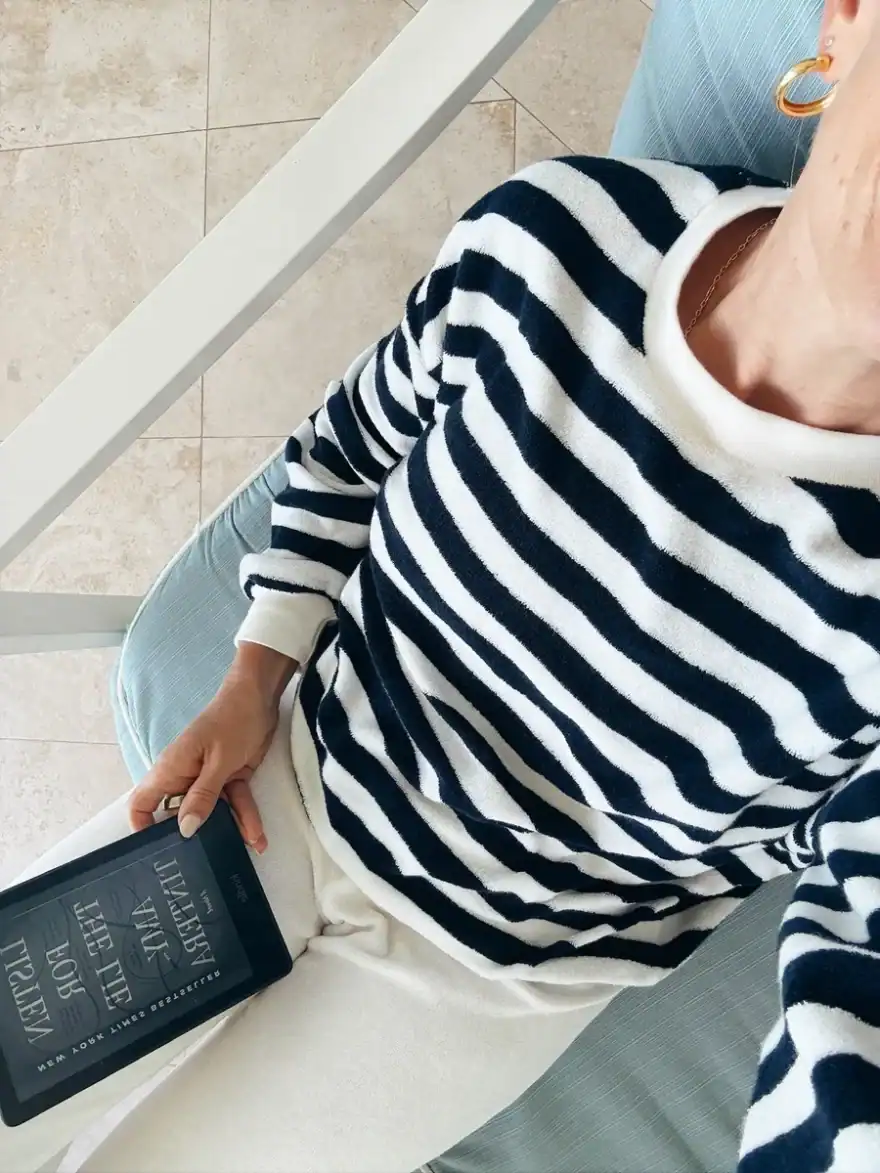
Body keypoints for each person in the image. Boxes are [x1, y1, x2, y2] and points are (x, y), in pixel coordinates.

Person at [5, 0, 880, 1170]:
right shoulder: (556, 244)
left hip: (484, 974)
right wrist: (255, 668)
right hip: (288, 771)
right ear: (845, 23)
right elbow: (349, 448)